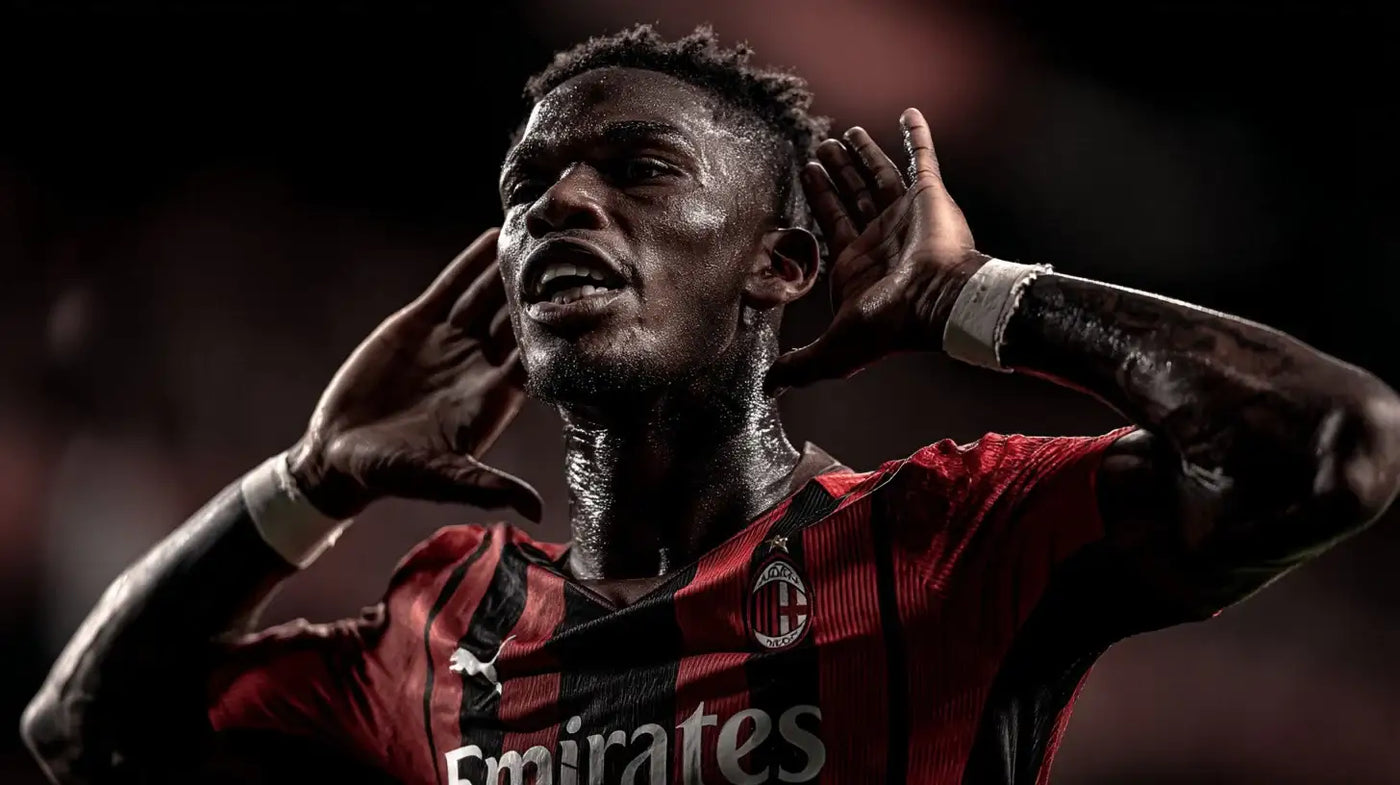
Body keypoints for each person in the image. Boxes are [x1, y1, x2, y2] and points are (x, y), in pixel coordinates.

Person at [20, 24, 1400, 785]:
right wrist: (315, 478)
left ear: (784, 263)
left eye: (639, 169)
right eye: (526, 188)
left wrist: (975, 297)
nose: (561, 202)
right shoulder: (444, 621)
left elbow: (1330, 447)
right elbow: (84, 731)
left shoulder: (943, 537)